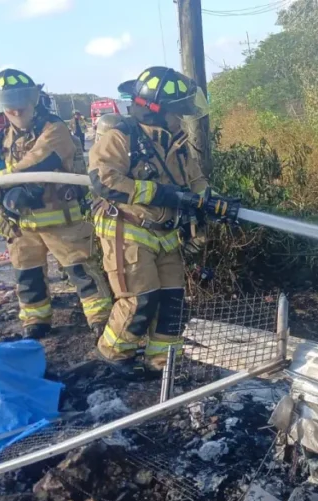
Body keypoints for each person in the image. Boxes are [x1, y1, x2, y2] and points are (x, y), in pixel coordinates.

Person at [88, 66, 237, 375]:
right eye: (178, 112)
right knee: (139, 300)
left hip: (165, 233)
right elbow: (104, 180)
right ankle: (114, 355)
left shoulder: (176, 143)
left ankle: (163, 363)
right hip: (128, 229)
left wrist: (214, 201)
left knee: (173, 300)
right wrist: (159, 194)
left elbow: (195, 182)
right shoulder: (121, 136)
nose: (181, 118)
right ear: (157, 110)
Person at [0, 68, 112, 340]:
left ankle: (101, 321)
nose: (16, 110)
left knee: (82, 272)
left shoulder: (55, 129)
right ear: (0, 105)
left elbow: (38, 163)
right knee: (27, 277)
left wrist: (6, 183)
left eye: (21, 101)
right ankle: (36, 322)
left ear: (34, 99)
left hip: (62, 219)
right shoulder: (3, 138)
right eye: (9, 103)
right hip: (22, 225)